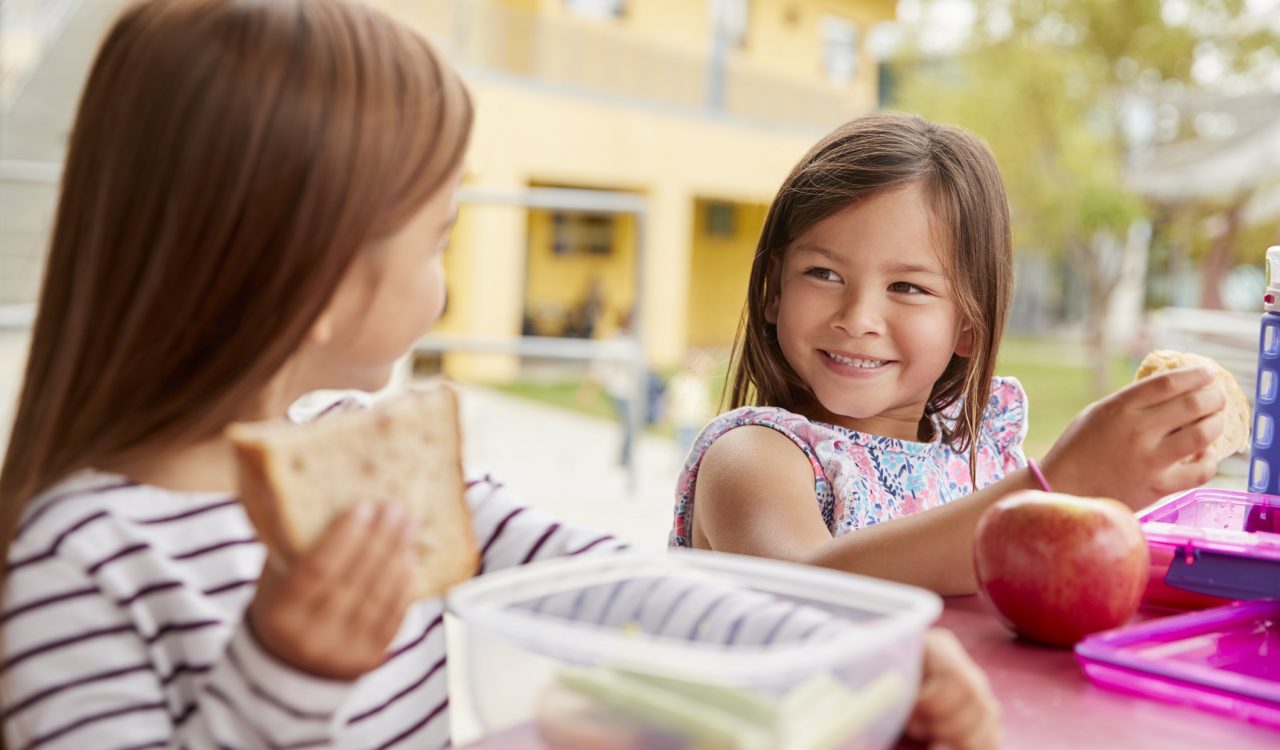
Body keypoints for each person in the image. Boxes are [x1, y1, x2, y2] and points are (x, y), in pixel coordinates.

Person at [0, 4, 999, 747]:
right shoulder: (79, 564)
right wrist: (280, 678)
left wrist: (869, 664)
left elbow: (625, 592)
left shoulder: (375, 462)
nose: (447, 266)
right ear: (321, 280)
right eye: (439, 234)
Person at [670, 113, 1226, 596]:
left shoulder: (981, 460)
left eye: (907, 288)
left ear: (968, 326)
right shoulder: (752, 457)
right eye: (824, 273)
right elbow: (809, 589)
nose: (857, 318)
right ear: (774, 290)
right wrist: (1056, 488)